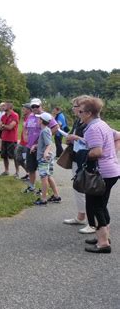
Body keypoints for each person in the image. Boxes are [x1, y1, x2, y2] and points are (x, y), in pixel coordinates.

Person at [78, 97, 120, 253]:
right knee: (101, 206)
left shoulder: (93, 128)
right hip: (110, 171)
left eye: (80, 111)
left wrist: (81, 154)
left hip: (100, 173)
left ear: (89, 113)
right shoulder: (102, 124)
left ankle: (103, 244)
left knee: (95, 207)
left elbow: (97, 152)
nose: (78, 114)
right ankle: (103, 237)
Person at [63, 96, 95, 234]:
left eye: (75, 106)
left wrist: (76, 138)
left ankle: (94, 223)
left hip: (87, 161)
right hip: (77, 158)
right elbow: (72, 136)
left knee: (89, 190)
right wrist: (69, 139)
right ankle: (81, 216)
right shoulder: (78, 121)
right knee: (78, 188)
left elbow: (92, 143)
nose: (74, 109)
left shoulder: (92, 123)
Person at [23, 98, 59, 194]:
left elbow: (56, 127)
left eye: (36, 106)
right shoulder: (30, 116)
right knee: (31, 168)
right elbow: (25, 128)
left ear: (40, 105)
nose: (34, 108)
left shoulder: (45, 116)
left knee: (43, 172)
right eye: (32, 106)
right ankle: (31, 187)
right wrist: (25, 136)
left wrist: (44, 138)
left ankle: (45, 192)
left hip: (40, 148)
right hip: (30, 146)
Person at [31, 112, 61, 205]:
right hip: (47, 157)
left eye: (39, 119)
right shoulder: (46, 130)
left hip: (44, 158)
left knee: (44, 178)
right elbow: (45, 142)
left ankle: (43, 199)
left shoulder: (44, 131)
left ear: (41, 121)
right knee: (48, 176)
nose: (37, 120)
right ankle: (56, 196)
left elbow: (49, 144)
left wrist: (45, 153)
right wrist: (36, 146)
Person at [0, 101, 19, 176]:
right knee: (4, 156)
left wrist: (3, 126)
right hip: (4, 138)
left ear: (10, 107)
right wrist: (3, 126)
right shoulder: (3, 116)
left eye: (5, 106)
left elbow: (10, 127)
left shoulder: (15, 115)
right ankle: (6, 171)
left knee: (14, 156)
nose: (3, 107)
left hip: (12, 139)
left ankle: (17, 172)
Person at [14, 103, 31, 180]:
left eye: (24, 109)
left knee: (26, 159)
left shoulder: (31, 118)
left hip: (27, 144)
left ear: (28, 109)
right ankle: (28, 172)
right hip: (21, 142)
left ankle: (29, 175)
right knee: (18, 158)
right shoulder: (25, 118)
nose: (22, 110)